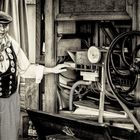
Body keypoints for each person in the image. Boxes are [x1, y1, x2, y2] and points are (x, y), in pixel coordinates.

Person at [0, 11, 69, 140]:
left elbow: (25, 69)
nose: (2, 29)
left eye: (5, 25)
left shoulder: (12, 45)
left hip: (10, 102)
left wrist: (52, 70)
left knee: (8, 136)